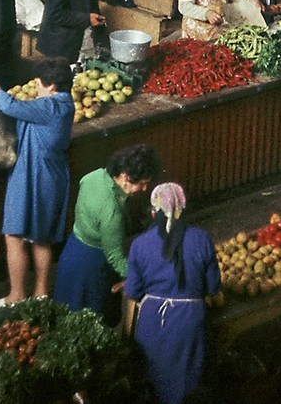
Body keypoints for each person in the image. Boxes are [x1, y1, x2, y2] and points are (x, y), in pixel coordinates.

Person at [0, 57, 74, 307]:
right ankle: (41, 293)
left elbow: (10, 106)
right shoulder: (63, 103)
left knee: (14, 235)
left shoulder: (51, 107)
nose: (36, 86)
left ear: (52, 85)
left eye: (39, 83)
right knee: (41, 238)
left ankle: (17, 295)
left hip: (34, 174)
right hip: (50, 175)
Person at [124, 182, 220, 404]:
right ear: (183, 210)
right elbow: (214, 289)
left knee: (152, 383)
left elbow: (133, 292)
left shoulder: (139, 245)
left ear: (152, 211)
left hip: (153, 323)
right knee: (187, 385)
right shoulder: (202, 239)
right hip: (190, 323)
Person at [53, 143, 163, 315]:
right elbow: (115, 258)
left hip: (72, 251)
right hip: (92, 267)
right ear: (126, 177)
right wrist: (141, 276)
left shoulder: (94, 176)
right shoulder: (112, 213)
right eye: (142, 184)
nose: (144, 189)